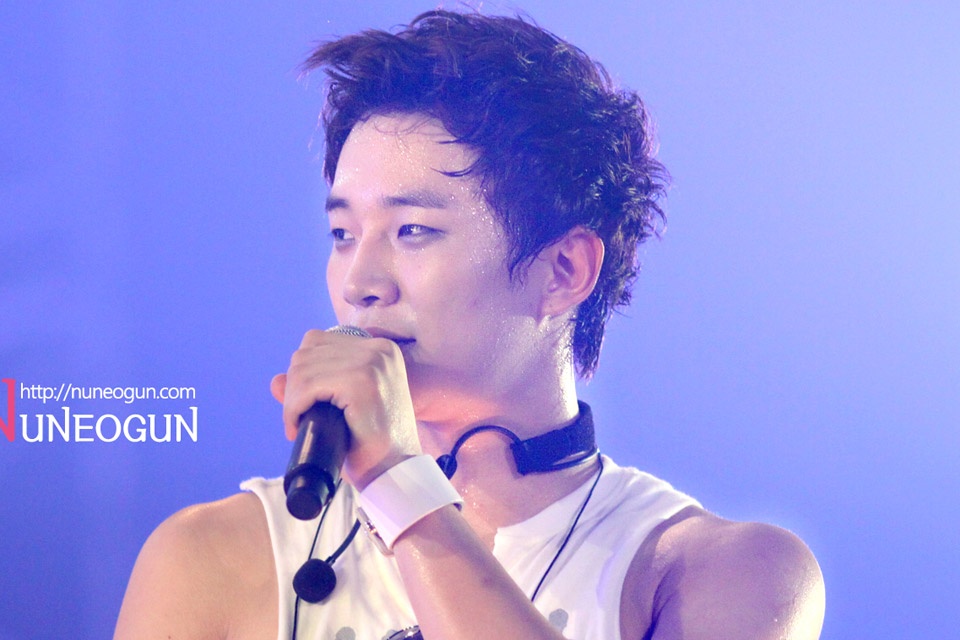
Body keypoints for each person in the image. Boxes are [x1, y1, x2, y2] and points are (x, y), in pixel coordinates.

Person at [115, 9, 825, 640]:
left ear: (564, 270)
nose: (360, 284)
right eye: (342, 234)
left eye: (413, 230)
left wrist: (400, 484)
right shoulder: (210, 557)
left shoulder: (724, 572)